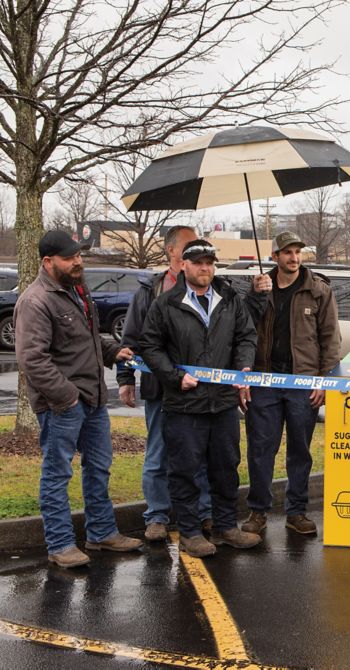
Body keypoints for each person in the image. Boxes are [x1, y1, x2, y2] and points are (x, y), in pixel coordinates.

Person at [15, 230, 142, 568]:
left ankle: (101, 533)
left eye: (79, 255)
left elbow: (89, 339)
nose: (78, 261)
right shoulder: (36, 300)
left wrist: (114, 352)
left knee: (98, 468)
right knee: (57, 475)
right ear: (48, 261)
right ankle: (60, 545)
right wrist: (67, 397)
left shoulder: (79, 291)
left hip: (94, 399)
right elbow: (32, 360)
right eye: (70, 257)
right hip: (63, 405)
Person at [138, 239, 259, 558]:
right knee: (185, 469)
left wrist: (243, 366)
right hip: (184, 404)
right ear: (183, 266)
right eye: (198, 262)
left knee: (225, 466)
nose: (205, 268)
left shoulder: (230, 298)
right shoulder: (165, 303)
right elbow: (149, 347)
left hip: (222, 402)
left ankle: (225, 526)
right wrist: (175, 377)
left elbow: (246, 336)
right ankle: (190, 532)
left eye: (209, 262)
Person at [240, 231, 342, 537]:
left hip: (304, 381)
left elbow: (331, 340)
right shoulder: (260, 287)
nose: (294, 257)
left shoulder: (318, 290)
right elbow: (242, 328)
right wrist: (256, 295)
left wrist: (324, 381)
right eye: (287, 252)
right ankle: (258, 511)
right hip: (265, 381)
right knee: (261, 449)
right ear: (275, 257)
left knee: (300, 450)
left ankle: (296, 512)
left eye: (297, 251)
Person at [117, 225, 214, 541]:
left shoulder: (208, 288)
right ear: (172, 251)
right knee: (158, 452)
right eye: (188, 244)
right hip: (161, 388)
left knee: (198, 453)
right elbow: (131, 339)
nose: (196, 249)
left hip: (199, 389)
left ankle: (203, 513)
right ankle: (156, 517)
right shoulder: (150, 290)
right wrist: (125, 379)